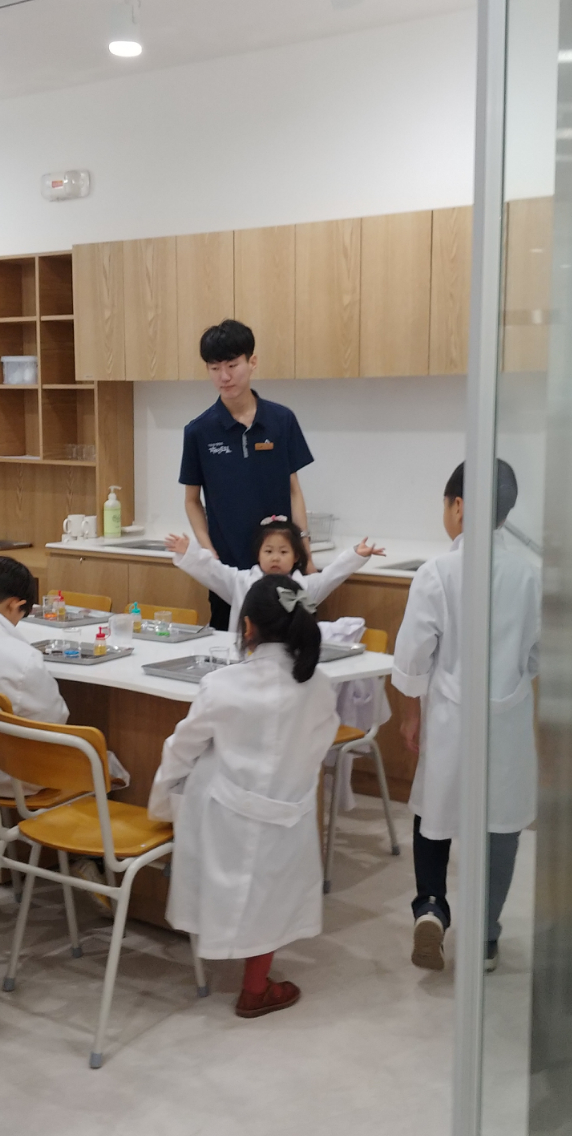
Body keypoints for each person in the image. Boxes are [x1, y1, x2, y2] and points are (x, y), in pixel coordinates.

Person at [148, 574, 340, 1018]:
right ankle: (255, 988)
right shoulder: (319, 686)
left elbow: (182, 748)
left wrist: (160, 802)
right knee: (272, 897)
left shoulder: (222, 684)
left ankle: (223, 961)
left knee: (230, 881)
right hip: (289, 810)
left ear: (247, 626)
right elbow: (317, 749)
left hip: (223, 813)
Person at [391, 460, 540, 972]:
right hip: (509, 721)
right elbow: (539, 654)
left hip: (451, 717)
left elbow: (413, 657)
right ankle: (486, 937)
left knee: (433, 811)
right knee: (501, 826)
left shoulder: (436, 573)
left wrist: (410, 715)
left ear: (457, 506)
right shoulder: (529, 575)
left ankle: (431, 907)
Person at [179, 319, 316, 630]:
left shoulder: (281, 420)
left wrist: (305, 553)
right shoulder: (198, 431)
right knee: (228, 641)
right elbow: (191, 500)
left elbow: (293, 490)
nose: (224, 376)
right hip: (228, 569)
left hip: (281, 566)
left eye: (232, 365)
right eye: (215, 368)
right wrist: (208, 551)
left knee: (287, 640)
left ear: (252, 362)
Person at [0, 557, 112, 911]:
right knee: (103, 764)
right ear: (14, 605)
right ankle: (90, 859)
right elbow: (56, 720)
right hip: (14, 777)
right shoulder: (21, 658)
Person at [165, 515, 385, 634]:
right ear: (258, 555)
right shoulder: (241, 581)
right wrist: (189, 552)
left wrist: (355, 555)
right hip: (246, 659)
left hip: (291, 662)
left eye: (283, 552)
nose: (275, 558)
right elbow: (212, 571)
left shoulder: (305, 587)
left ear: (296, 556)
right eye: (268, 551)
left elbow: (332, 575)